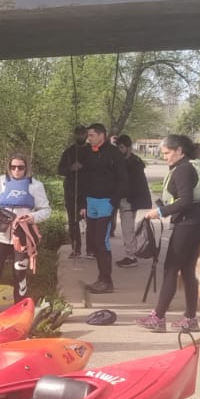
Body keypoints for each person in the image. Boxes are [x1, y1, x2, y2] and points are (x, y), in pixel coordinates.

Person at [135, 135, 200, 332]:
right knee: (187, 271)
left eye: (167, 153)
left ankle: (158, 318)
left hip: (187, 224)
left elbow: (185, 201)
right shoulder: (194, 165)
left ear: (179, 151)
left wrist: (158, 212)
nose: (165, 157)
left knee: (171, 268)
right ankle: (190, 318)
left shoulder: (182, 169)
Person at [0, 154, 52, 323]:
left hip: (22, 237)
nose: (16, 170)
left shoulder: (36, 186)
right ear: (8, 168)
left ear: (27, 168)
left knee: (19, 274)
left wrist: (32, 217)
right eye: (13, 167)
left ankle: (19, 313)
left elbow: (46, 210)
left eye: (20, 167)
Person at [78, 124, 125, 294]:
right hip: (91, 202)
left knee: (101, 241)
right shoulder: (88, 153)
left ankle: (107, 280)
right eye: (88, 135)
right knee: (92, 241)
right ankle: (101, 278)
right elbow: (84, 179)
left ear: (101, 135)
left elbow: (123, 179)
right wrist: (83, 203)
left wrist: (114, 201)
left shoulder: (114, 154)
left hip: (106, 201)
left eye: (91, 135)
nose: (88, 138)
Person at [114, 134, 154, 268]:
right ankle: (130, 254)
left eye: (121, 147)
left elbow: (137, 185)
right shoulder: (123, 161)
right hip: (123, 199)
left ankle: (131, 256)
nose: (119, 150)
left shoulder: (134, 164)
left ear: (129, 148)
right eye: (118, 147)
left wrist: (132, 201)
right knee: (127, 228)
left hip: (129, 201)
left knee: (127, 229)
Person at [56, 126, 89, 257]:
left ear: (86, 135)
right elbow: (60, 170)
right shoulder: (69, 152)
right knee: (73, 220)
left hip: (88, 190)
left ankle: (92, 248)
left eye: (83, 134)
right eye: (78, 134)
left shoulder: (91, 151)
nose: (81, 136)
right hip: (71, 190)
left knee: (91, 220)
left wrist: (84, 167)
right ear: (75, 135)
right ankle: (76, 248)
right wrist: (71, 168)